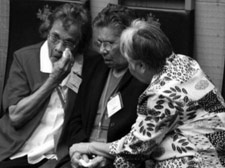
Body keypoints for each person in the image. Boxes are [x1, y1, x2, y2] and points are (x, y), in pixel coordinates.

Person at [69, 19, 225, 168]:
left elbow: (136, 147)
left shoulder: (161, 94)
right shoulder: (184, 62)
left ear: (141, 66)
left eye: (129, 62)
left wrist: (87, 147)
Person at [0, 3, 92, 168]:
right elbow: (15, 117)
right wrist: (53, 80)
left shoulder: (87, 66)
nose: (59, 48)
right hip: (16, 150)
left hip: (56, 155)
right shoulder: (24, 58)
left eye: (68, 42)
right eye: (54, 37)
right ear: (47, 31)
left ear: (79, 43)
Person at [57, 3, 148, 168]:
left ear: (129, 41)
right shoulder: (93, 66)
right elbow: (76, 120)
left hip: (118, 159)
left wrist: (110, 158)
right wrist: (80, 151)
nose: (103, 50)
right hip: (82, 154)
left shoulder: (143, 76)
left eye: (110, 43)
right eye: (99, 43)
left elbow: (141, 138)